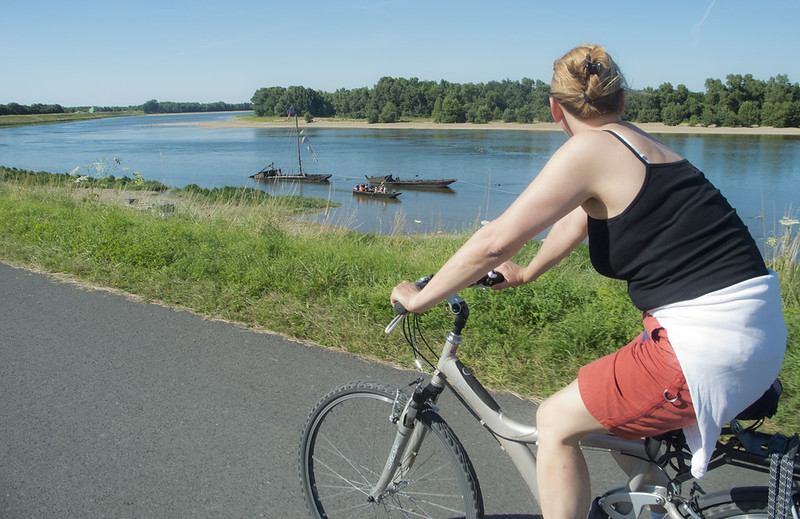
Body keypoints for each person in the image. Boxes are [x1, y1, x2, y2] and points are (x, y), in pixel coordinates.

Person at [390, 43, 787, 519]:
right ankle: (662, 509)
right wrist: (529, 271)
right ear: (620, 99)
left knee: (554, 421)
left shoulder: (588, 148)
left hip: (701, 349)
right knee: (623, 428)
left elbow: (494, 242)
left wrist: (420, 300)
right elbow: (582, 214)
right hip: (757, 333)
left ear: (556, 108)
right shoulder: (637, 142)